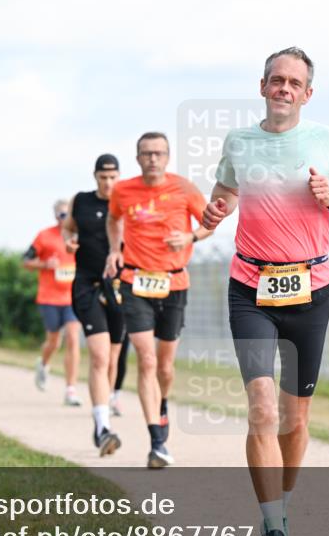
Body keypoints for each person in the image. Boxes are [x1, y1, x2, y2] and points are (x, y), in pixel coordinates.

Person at [202, 47, 329, 536]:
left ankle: (283, 499)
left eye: (294, 83)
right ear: (262, 86)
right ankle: (275, 534)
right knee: (262, 409)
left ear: (307, 93)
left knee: (295, 420)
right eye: (276, 80)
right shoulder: (238, 142)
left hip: (309, 289)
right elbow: (225, 191)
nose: (284, 89)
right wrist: (213, 212)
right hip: (249, 287)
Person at [104, 131, 213, 468]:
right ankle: (157, 442)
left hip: (174, 283)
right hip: (135, 281)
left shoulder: (183, 188)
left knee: (165, 367)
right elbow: (113, 219)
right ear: (138, 158)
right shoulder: (123, 190)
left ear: (167, 157)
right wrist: (113, 251)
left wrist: (191, 235)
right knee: (147, 361)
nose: (153, 159)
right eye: (146, 153)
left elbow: (211, 221)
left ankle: (162, 403)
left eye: (159, 153)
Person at [63, 153, 126, 456]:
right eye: (103, 178)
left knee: (113, 358)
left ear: (119, 176)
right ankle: (103, 428)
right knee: (99, 357)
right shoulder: (81, 201)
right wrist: (69, 239)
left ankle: (105, 411)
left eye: (113, 177)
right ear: (95, 176)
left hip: (120, 287)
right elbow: (69, 227)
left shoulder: (127, 203)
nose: (108, 183)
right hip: (86, 285)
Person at [23, 200, 82, 406]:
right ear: (55, 216)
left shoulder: (79, 236)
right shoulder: (44, 236)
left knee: (74, 338)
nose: (63, 219)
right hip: (49, 297)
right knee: (54, 341)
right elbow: (25, 260)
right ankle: (44, 363)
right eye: (60, 215)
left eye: (67, 215)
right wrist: (44, 264)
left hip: (73, 297)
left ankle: (71, 389)